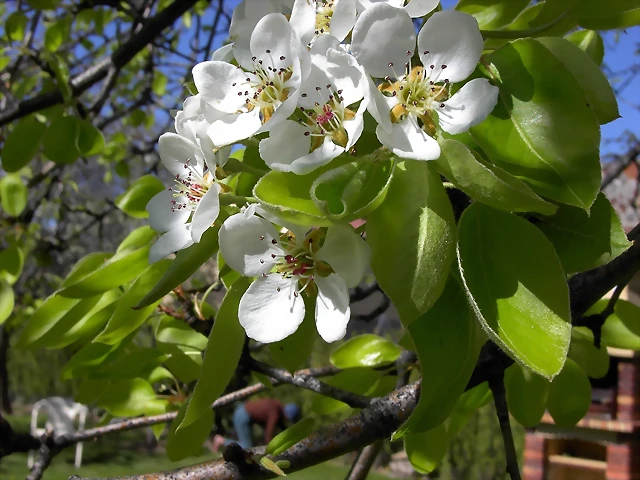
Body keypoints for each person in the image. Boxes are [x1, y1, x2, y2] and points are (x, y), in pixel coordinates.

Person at [212, 398, 300, 451]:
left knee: (251, 446)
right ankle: (221, 440)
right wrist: (270, 451)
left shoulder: (278, 407)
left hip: (243, 410)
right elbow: (269, 433)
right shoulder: (275, 413)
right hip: (243, 415)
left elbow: (283, 429)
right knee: (247, 446)